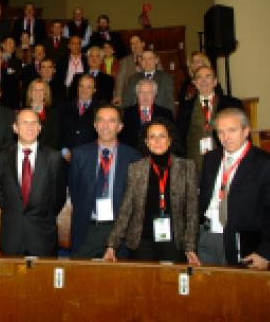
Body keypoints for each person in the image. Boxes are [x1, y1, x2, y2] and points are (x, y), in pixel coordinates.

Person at [104, 118, 200, 264]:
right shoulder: (136, 169)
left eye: (162, 136)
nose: (157, 141)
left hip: (174, 242)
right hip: (142, 241)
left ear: (169, 140)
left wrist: (190, 247)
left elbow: (192, 211)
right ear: (147, 142)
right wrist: (112, 245)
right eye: (152, 137)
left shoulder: (187, 167)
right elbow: (126, 209)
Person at [198, 108, 270, 270]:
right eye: (220, 132)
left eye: (232, 130)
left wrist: (266, 252)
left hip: (242, 242)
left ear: (246, 131)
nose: (226, 137)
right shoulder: (211, 159)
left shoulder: (263, 163)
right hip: (207, 237)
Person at [69, 104, 140, 258]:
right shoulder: (79, 154)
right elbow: (75, 193)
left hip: (119, 231)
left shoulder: (133, 157)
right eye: (101, 120)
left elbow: (135, 198)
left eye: (112, 121)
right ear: (95, 125)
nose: (106, 125)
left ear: (120, 126)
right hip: (87, 229)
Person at [0, 109, 66, 256]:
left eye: (34, 123)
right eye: (25, 123)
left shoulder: (54, 158)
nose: (30, 127)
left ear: (40, 128)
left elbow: (58, 199)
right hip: (11, 238)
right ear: (15, 128)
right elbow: (0, 196)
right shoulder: (2, 158)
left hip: (42, 238)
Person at [177, 66, 243, 176]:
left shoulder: (232, 104)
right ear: (194, 83)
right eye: (199, 77)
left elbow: (243, 134)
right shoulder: (185, 107)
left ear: (215, 82)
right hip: (195, 166)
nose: (204, 81)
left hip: (225, 161)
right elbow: (180, 137)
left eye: (208, 76)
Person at [119, 79, 174, 149]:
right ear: (137, 94)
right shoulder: (125, 113)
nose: (145, 96)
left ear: (155, 95)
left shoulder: (166, 114)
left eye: (149, 92)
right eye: (141, 92)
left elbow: (173, 138)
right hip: (132, 155)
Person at [60, 74, 98, 163]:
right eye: (81, 86)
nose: (84, 90)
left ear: (94, 90)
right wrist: (64, 151)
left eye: (88, 87)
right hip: (66, 159)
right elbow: (58, 132)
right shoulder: (65, 107)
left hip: (91, 159)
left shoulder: (100, 109)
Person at [26, 79, 60, 150]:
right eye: (35, 90)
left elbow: (55, 139)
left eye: (41, 90)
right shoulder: (23, 113)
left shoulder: (53, 114)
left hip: (46, 155)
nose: (37, 93)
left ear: (45, 94)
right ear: (30, 93)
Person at [114, 35, 145, 105]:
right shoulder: (125, 61)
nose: (135, 45)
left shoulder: (152, 58)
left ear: (143, 44)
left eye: (137, 42)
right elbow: (120, 79)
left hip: (148, 96)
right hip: (130, 98)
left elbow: (159, 77)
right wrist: (118, 96)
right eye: (132, 43)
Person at [55, 36, 88, 102]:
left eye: (78, 44)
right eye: (74, 44)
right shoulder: (62, 60)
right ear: (69, 46)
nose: (76, 46)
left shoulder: (87, 59)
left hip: (83, 91)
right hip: (66, 91)